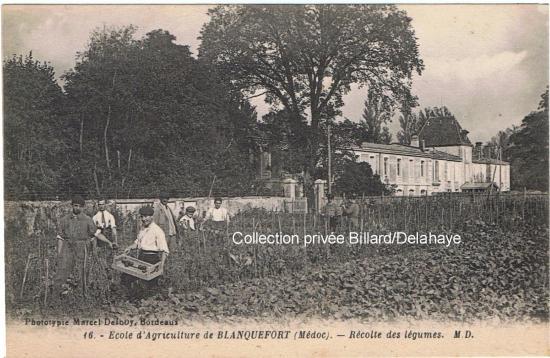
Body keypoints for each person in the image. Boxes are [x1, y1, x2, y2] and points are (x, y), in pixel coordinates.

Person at [53, 195, 106, 299]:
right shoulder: (64, 220)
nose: (77, 208)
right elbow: (60, 237)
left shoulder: (87, 220)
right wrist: (59, 254)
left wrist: (107, 242)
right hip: (68, 246)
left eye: (79, 206)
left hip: (82, 247)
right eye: (75, 206)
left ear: (83, 207)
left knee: (83, 269)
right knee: (63, 268)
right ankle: (56, 294)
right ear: (72, 206)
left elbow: (95, 235)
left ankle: (82, 294)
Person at [122, 206, 169, 296]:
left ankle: (152, 303)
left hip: (152, 258)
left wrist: (161, 267)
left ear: (152, 217)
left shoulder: (157, 231)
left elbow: (164, 251)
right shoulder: (143, 228)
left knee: (149, 285)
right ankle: (132, 300)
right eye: (142, 216)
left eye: (146, 216)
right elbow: (138, 243)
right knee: (128, 277)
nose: (144, 219)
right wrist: (129, 248)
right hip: (141, 257)